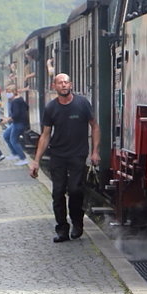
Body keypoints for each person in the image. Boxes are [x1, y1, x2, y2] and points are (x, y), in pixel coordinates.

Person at [29, 73, 100, 242]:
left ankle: (77, 222)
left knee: (75, 189)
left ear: (71, 85)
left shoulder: (82, 104)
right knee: (58, 192)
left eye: (66, 82)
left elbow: (94, 126)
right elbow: (45, 135)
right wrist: (36, 161)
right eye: (60, 83)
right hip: (58, 154)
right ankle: (62, 229)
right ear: (54, 86)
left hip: (78, 154)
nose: (64, 85)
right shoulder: (51, 108)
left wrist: (95, 151)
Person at [3, 87, 29, 165]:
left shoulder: (15, 102)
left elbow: (16, 114)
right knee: (6, 135)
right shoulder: (20, 99)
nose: (7, 94)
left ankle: (23, 158)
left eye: (9, 92)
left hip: (18, 123)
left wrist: (8, 119)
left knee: (13, 140)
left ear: (14, 92)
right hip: (18, 122)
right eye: (7, 92)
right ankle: (15, 153)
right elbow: (27, 107)